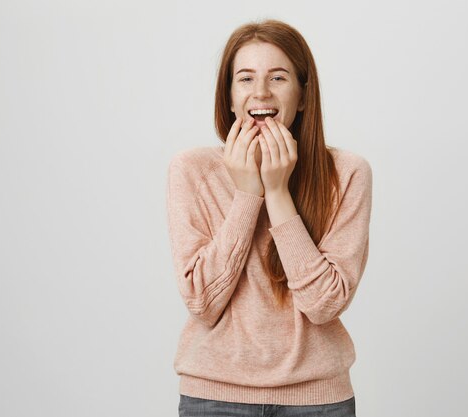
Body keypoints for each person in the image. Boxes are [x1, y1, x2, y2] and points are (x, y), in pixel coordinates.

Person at [166, 18, 372, 417]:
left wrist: (277, 192)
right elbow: (203, 302)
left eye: (278, 78)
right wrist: (248, 194)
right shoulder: (190, 170)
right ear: (228, 96)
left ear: (302, 95)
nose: (260, 92)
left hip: (317, 401)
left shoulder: (348, 174)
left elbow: (324, 304)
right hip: (214, 398)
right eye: (245, 79)